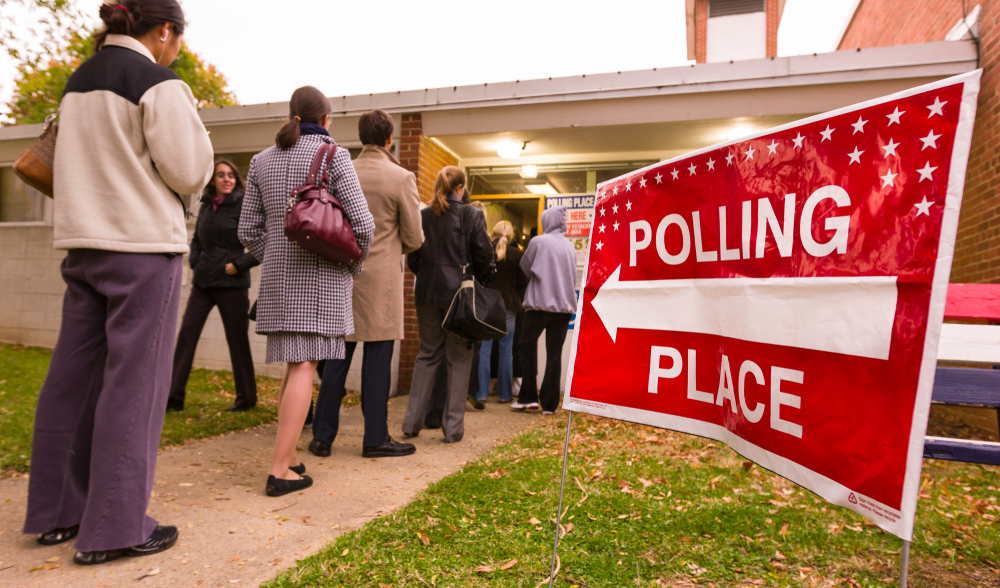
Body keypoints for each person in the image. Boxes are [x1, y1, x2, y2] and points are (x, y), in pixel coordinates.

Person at [22, 0, 214, 566]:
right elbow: (187, 169)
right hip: (141, 249)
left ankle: (56, 512)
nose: (177, 49)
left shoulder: (77, 83)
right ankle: (114, 526)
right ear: (163, 32)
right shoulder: (158, 82)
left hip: (83, 246)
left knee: (71, 382)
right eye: (177, 39)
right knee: (135, 388)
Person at [239, 86, 374, 497]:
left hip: (279, 283)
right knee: (303, 367)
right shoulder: (335, 156)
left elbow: (247, 231)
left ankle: (290, 453)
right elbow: (363, 226)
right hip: (319, 280)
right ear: (327, 119)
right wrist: (351, 263)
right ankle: (280, 469)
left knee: (292, 365)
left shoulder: (261, 160)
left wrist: (277, 255)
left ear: (292, 115)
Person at [309, 109, 423, 459]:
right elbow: (416, 237)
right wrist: (392, 246)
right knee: (377, 363)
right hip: (382, 281)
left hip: (342, 275)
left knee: (336, 360)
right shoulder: (401, 177)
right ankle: (375, 438)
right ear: (391, 138)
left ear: (361, 136)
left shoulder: (340, 171)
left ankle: (322, 437)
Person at [401, 167, 493, 443]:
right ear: (460, 188)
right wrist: (481, 280)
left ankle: (411, 423)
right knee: (459, 359)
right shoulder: (472, 214)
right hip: (459, 296)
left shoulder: (423, 215)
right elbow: (484, 254)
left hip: (427, 293)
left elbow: (413, 259)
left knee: (427, 355)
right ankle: (452, 429)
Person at [167, 160, 259, 413]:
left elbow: (265, 239)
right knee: (187, 335)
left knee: (237, 340)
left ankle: (246, 398)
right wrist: (196, 260)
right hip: (203, 282)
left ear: (236, 179)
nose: (226, 179)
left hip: (232, 283)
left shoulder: (244, 205)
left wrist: (240, 264)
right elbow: (197, 238)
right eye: (221, 175)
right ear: (213, 180)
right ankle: (173, 397)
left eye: (231, 175)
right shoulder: (207, 204)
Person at [512, 206, 578, 415]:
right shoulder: (569, 247)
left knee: (526, 345)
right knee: (554, 354)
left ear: (546, 221)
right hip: (564, 307)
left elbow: (524, 267)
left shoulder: (538, 242)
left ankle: (528, 397)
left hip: (540, 304)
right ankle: (549, 404)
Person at [476, 221, 528, 405]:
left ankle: (481, 393)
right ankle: (505, 394)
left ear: (493, 234)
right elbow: (524, 281)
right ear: (511, 236)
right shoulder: (517, 255)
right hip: (508, 305)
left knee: (484, 349)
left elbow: (478, 276)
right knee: (507, 350)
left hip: (487, 305)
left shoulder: (484, 251)